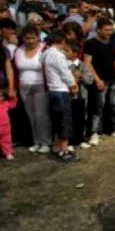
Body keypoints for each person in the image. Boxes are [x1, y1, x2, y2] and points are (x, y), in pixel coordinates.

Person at [84, 18, 115, 144]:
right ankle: (94, 132)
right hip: (100, 80)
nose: (109, 32)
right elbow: (87, 63)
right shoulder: (90, 44)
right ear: (99, 29)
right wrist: (97, 79)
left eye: (110, 30)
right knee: (98, 108)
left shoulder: (112, 43)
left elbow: (114, 58)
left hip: (113, 79)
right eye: (106, 30)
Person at [42, 31, 79, 162]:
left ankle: (58, 146)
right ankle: (64, 150)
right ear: (62, 41)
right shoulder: (58, 55)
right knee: (65, 120)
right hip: (61, 90)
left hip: (52, 89)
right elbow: (65, 72)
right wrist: (73, 84)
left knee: (57, 119)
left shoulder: (46, 53)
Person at [14, 26, 51, 153]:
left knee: (41, 115)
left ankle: (46, 142)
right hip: (24, 86)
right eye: (27, 38)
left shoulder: (44, 49)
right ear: (23, 38)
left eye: (33, 38)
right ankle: (37, 141)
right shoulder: (19, 50)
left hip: (40, 85)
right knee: (31, 116)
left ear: (38, 37)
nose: (30, 41)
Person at [65, 40, 93, 149]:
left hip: (81, 96)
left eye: (67, 50)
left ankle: (80, 139)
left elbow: (90, 80)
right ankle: (70, 141)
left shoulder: (82, 65)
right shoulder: (64, 65)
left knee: (81, 118)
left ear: (75, 52)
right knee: (70, 118)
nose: (65, 52)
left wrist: (81, 76)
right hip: (69, 96)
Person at [0, 89, 17, 160]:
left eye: (1, 96)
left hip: (6, 127)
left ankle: (8, 153)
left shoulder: (6, 103)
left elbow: (13, 104)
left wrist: (14, 97)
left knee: (6, 140)